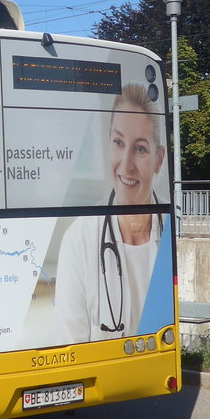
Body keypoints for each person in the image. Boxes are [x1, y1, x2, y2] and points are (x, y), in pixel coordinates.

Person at [53, 83, 166, 342]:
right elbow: (70, 341)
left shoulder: (170, 231)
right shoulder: (79, 238)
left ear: (158, 159)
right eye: (118, 142)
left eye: (140, 149)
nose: (126, 165)